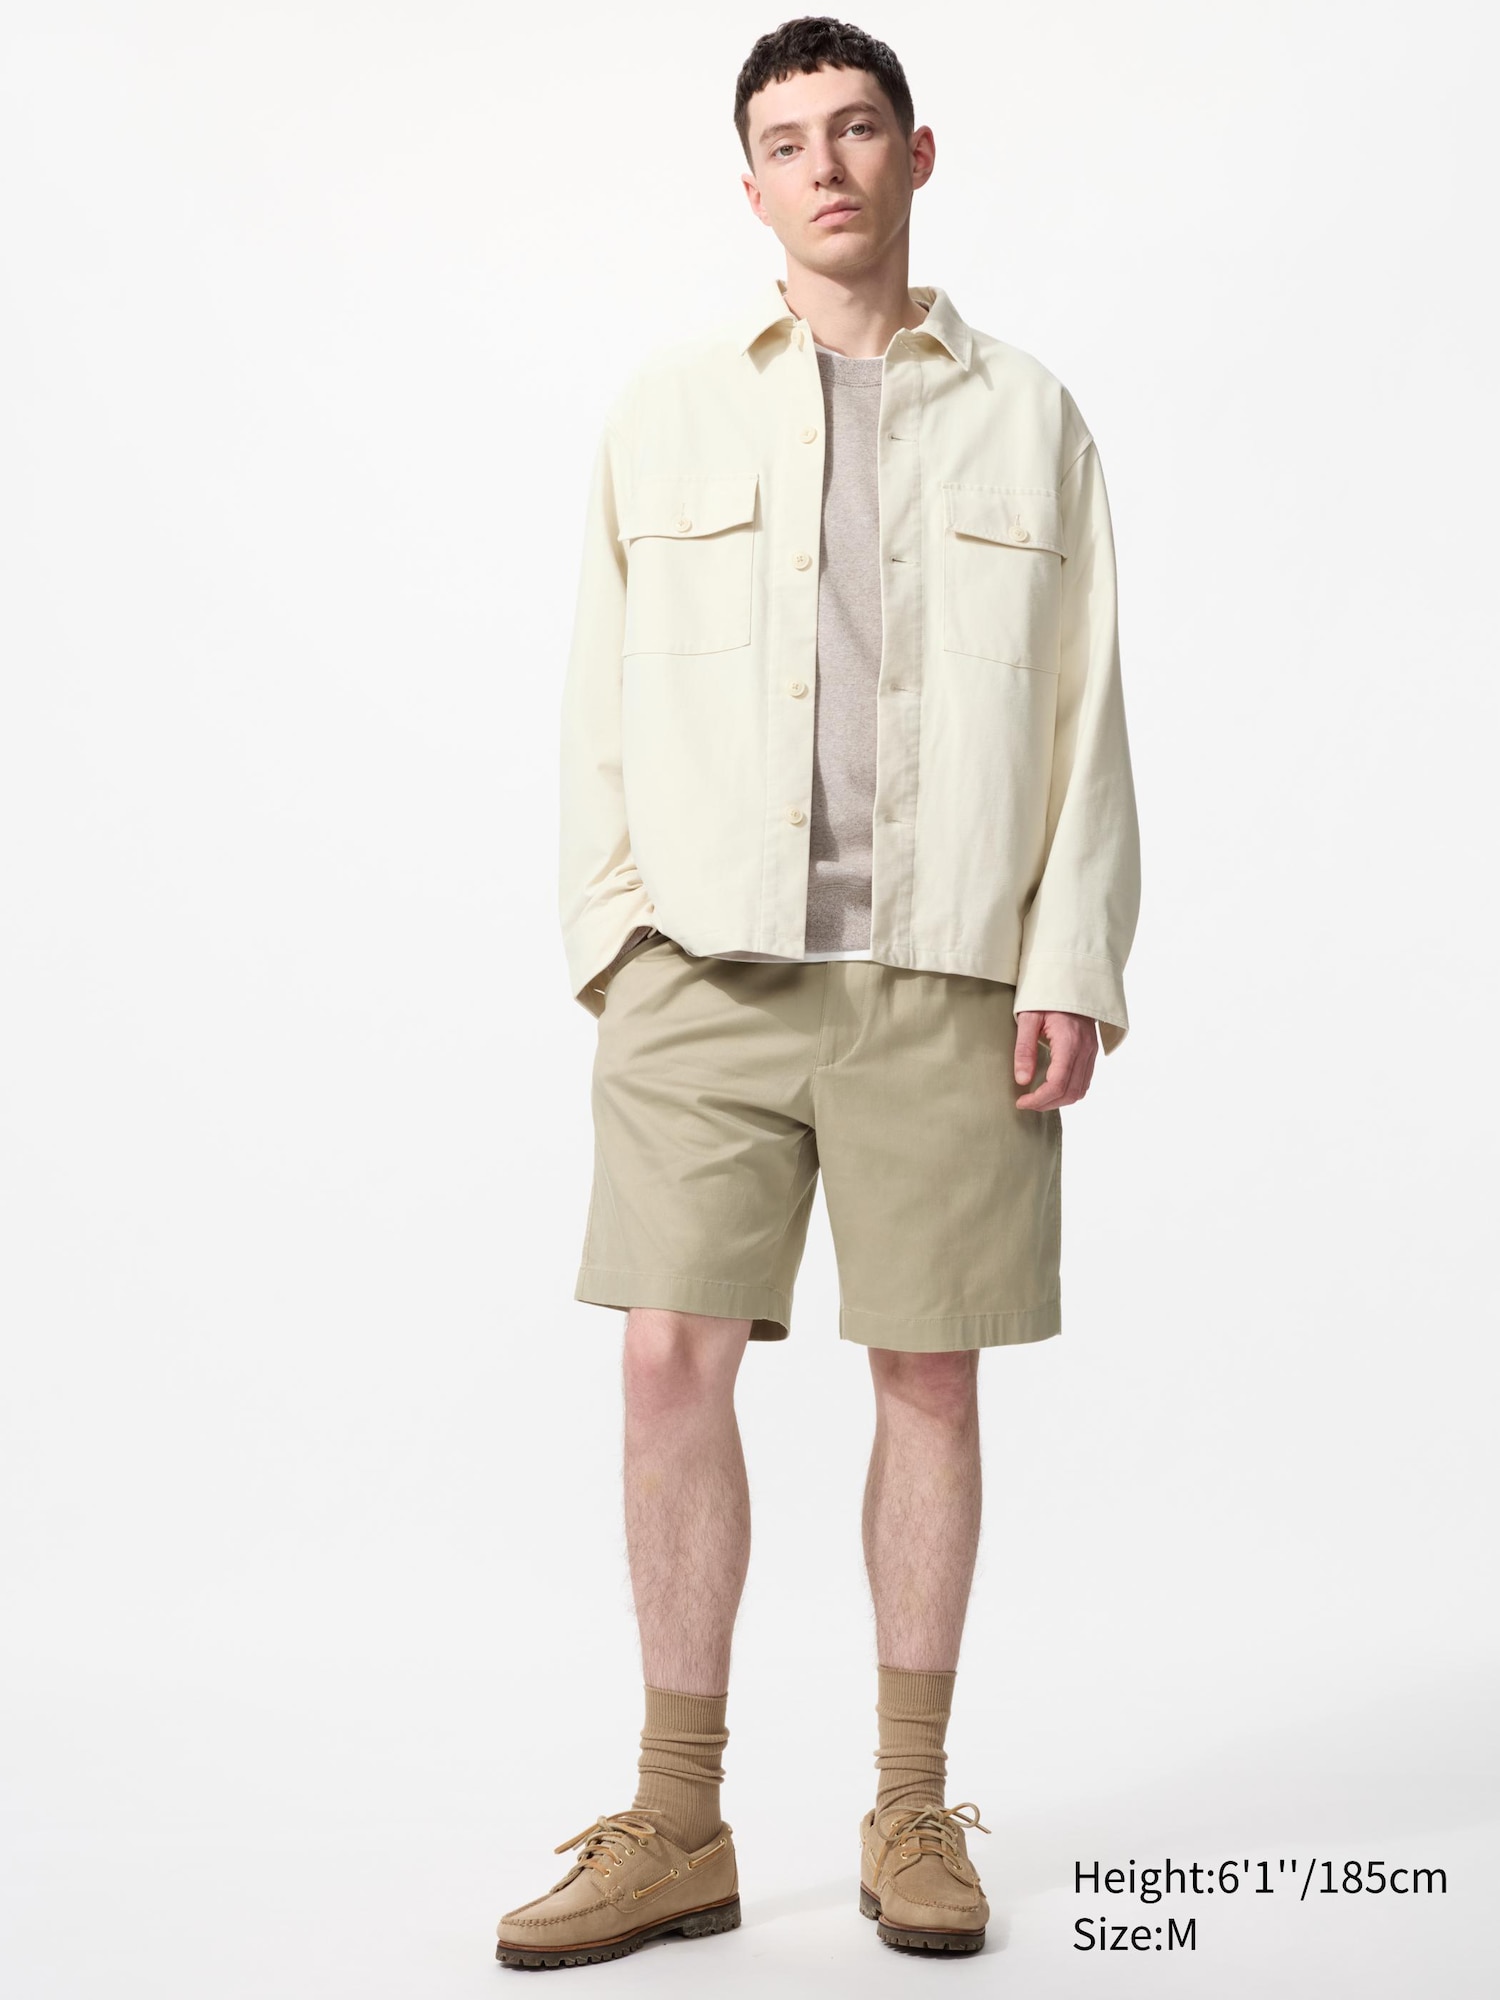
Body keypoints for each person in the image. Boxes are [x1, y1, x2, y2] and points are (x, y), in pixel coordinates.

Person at [496, 14, 1141, 1970]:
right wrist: (613, 937)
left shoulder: (1028, 414)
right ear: (751, 183)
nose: (827, 165)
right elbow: (595, 690)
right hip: (702, 966)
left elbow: (1089, 704)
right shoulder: (668, 409)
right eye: (788, 141)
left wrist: (1072, 953)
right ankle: (676, 1820)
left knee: (928, 1373)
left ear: (916, 156)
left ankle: (910, 1803)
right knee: (663, 1362)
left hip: (946, 973)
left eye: (858, 129)